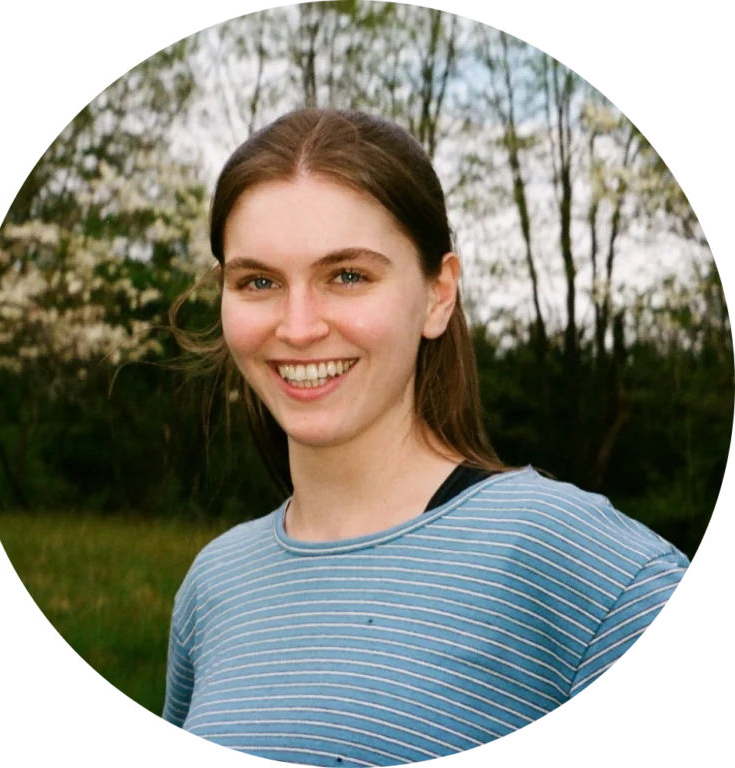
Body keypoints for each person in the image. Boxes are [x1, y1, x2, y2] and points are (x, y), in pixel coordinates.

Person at [161, 108, 692, 765]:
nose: (297, 327)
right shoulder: (215, 584)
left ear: (439, 293)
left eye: (347, 275)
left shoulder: (570, 556)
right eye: (258, 281)